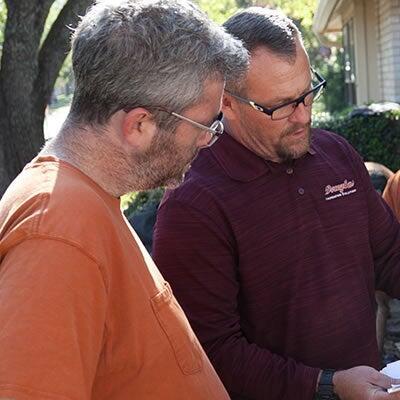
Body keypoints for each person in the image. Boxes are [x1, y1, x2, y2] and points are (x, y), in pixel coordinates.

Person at [0, 1, 248, 399]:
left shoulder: (84, 202)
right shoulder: (59, 231)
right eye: (205, 124)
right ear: (139, 125)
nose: (209, 139)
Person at [152, 7, 400, 400]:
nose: (303, 117)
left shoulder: (336, 154)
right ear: (226, 102)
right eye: (281, 105)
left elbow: (389, 255)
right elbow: (210, 353)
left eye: (308, 93)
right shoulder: (193, 204)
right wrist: (327, 385)